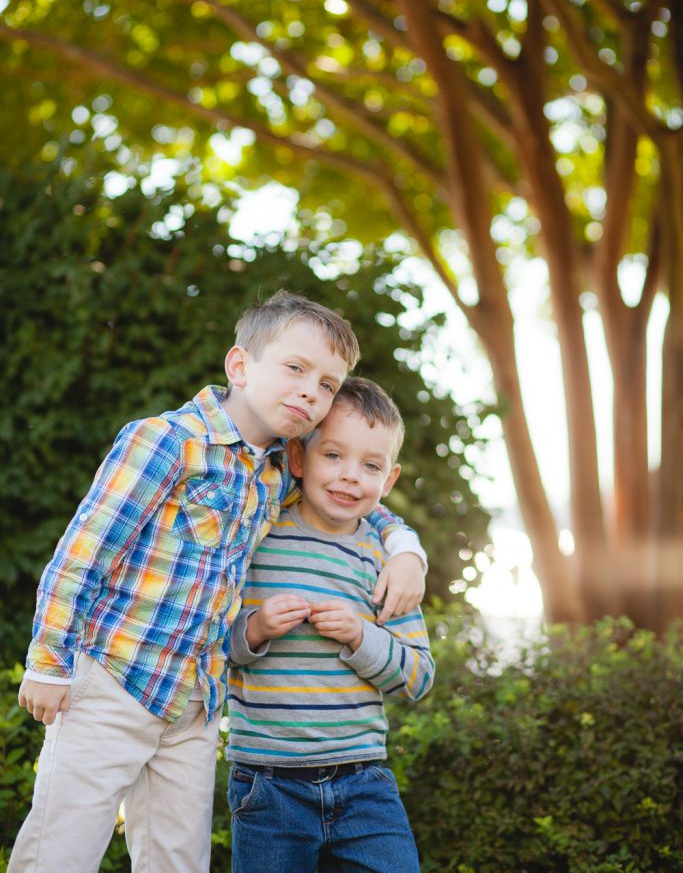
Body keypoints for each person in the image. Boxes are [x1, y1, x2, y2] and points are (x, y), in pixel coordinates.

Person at [10, 292, 427, 873]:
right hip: (112, 680)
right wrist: (49, 662)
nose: (312, 391)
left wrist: (406, 550)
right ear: (240, 366)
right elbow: (81, 555)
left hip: (196, 702)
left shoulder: (281, 468)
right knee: (62, 849)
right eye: (296, 368)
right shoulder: (166, 442)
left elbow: (352, 500)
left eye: (329, 384)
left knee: (179, 860)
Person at [227, 376, 434, 873]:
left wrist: (362, 636)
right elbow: (210, 641)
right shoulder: (259, 534)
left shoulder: (385, 560)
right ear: (298, 459)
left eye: (371, 465)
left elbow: (419, 676)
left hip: (363, 782)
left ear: (389, 480)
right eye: (333, 456)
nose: (349, 477)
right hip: (267, 782)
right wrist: (255, 629)